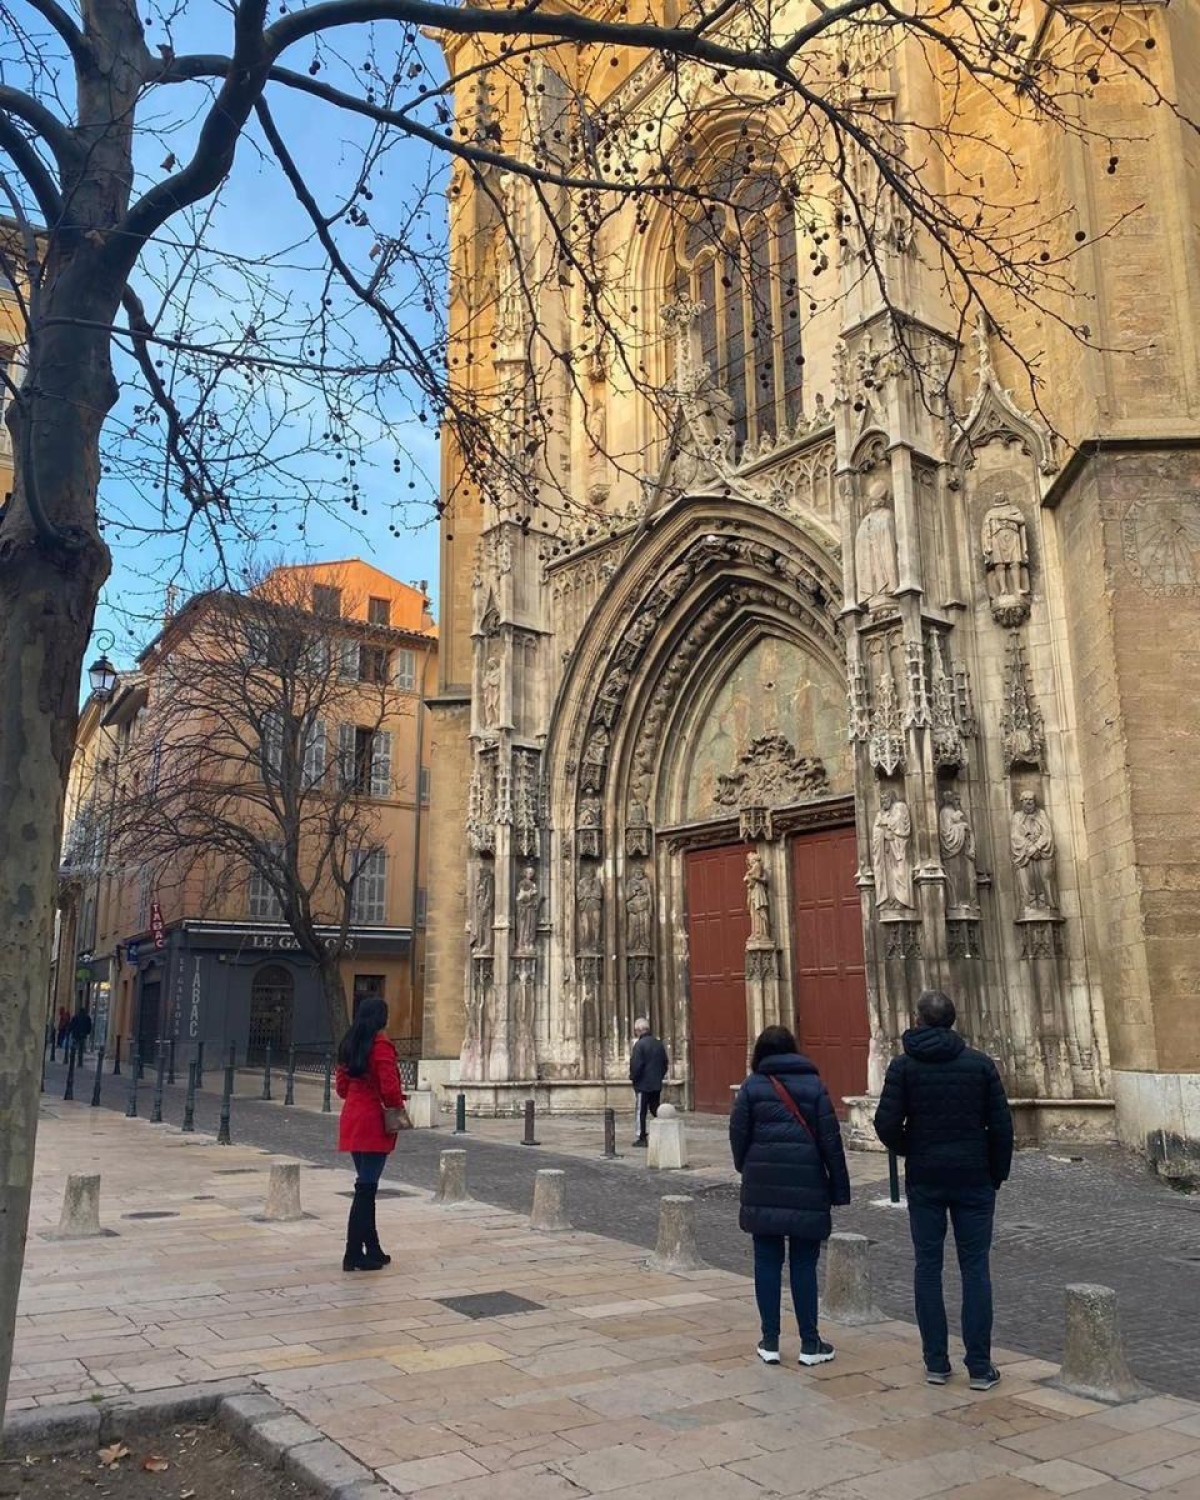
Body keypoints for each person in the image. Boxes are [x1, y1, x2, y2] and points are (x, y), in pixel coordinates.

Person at [873, 989, 1014, 1391]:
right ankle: (981, 1368)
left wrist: (911, 1148)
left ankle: (936, 1362)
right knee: (975, 1271)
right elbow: (1002, 1127)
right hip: (974, 1179)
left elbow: (885, 1125)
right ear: (952, 1022)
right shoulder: (980, 1065)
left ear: (919, 1021)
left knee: (927, 1268)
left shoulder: (903, 1067)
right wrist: (995, 1174)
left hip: (927, 1179)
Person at [730, 1025, 851, 1367]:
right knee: (803, 1264)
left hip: (763, 1184)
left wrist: (748, 1166)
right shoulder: (814, 1086)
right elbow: (831, 1141)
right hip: (807, 1185)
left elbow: (737, 1135)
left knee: (767, 1262)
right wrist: (839, 1188)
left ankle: (769, 1341)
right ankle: (810, 1344)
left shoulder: (752, 1087)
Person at [335, 996, 406, 1273]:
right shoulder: (380, 1046)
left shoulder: (349, 1045)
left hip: (352, 1118)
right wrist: (397, 1106)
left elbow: (341, 1088)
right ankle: (353, 1252)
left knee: (367, 1186)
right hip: (374, 1121)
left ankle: (373, 1248)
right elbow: (389, 1087)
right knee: (365, 1189)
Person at [629, 1018, 669, 1147]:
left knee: (641, 1111)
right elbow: (665, 1064)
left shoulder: (639, 1045)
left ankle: (641, 1137)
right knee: (655, 1108)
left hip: (642, 1084)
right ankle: (666, 1129)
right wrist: (659, 1077)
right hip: (656, 1083)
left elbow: (636, 1065)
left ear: (639, 1030)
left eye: (636, 1031)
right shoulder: (658, 1043)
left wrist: (633, 1078)